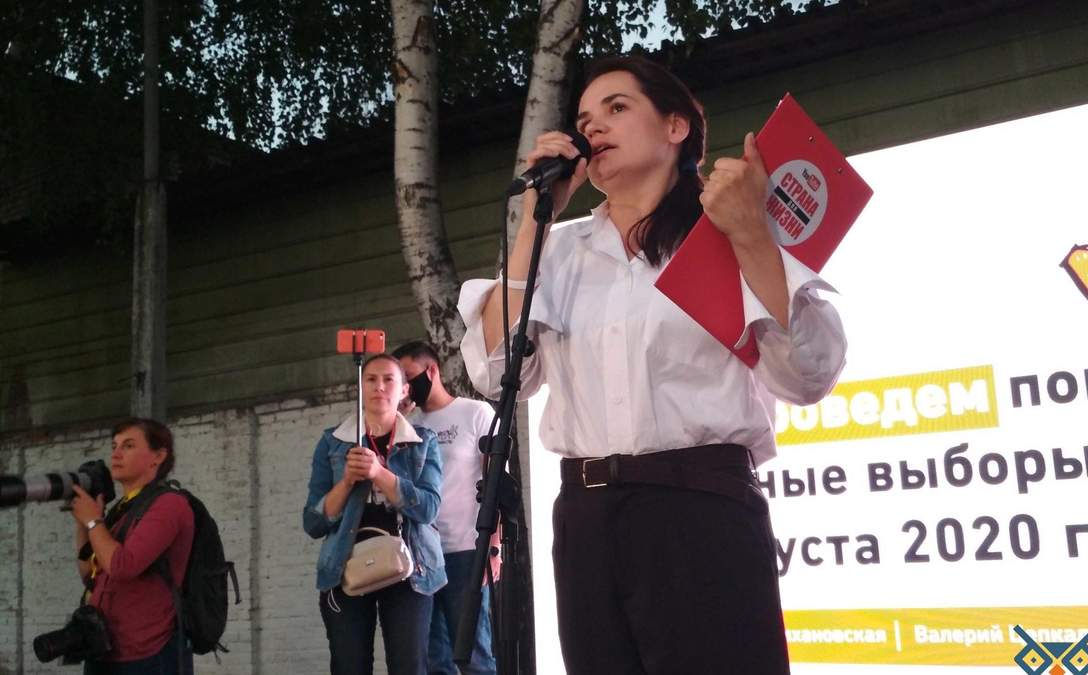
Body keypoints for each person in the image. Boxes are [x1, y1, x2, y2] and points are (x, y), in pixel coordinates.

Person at [457, 55, 848, 674]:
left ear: (675, 127)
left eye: (617, 108)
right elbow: (495, 370)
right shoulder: (561, 249)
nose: (594, 127)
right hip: (586, 517)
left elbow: (808, 375)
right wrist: (536, 220)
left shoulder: (726, 231)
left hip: (700, 505)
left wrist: (751, 235)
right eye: (585, 119)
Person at [302, 353, 446, 675]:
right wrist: (347, 482)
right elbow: (312, 522)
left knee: (409, 667)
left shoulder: (423, 442)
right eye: (370, 379)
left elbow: (428, 509)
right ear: (360, 387)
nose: (379, 387)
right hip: (345, 568)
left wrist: (380, 474)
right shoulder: (332, 443)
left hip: (412, 571)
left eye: (388, 379)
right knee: (349, 666)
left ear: (404, 390)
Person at [392, 340, 500, 675]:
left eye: (410, 376)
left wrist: (494, 546)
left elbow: (496, 482)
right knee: (434, 658)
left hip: (467, 549)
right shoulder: (409, 426)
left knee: (474, 652)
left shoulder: (476, 413)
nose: (407, 386)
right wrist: (398, 418)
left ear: (432, 371)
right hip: (423, 553)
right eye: (402, 381)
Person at [70, 417, 194, 674]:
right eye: (114, 446)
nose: (116, 454)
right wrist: (84, 523)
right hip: (103, 649)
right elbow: (88, 574)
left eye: (128, 446)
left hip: (147, 655)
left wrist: (93, 521)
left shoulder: (169, 504)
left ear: (158, 456)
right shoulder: (121, 512)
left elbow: (122, 566)